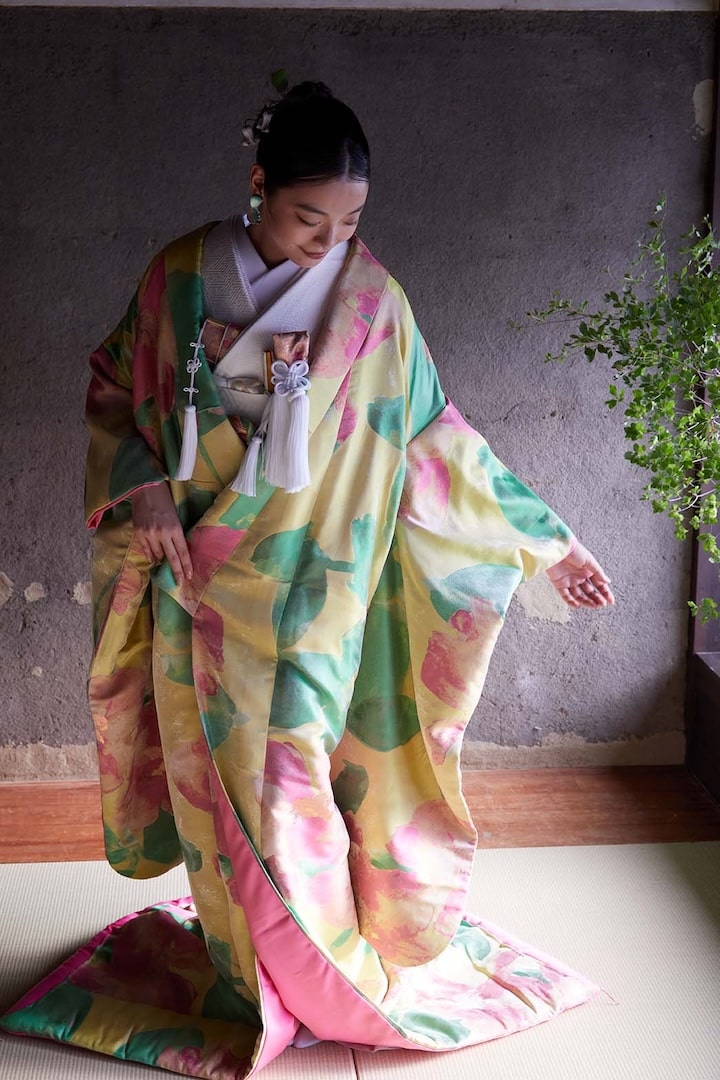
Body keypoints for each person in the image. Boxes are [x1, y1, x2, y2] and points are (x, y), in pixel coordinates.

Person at [1, 83, 613, 1077]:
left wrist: (549, 540)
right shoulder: (178, 278)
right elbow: (114, 384)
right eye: (307, 218)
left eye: (350, 223)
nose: (329, 242)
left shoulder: (376, 305)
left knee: (292, 789)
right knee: (213, 801)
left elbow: (433, 436)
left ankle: (320, 975)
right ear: (258, 185)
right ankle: (248, 982)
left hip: (316, 590)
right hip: (197, 585)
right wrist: (142, 488)